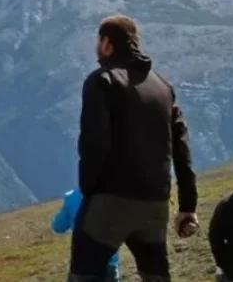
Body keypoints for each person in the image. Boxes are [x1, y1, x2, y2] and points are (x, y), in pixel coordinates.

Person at [68, 14, 199, 282]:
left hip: (110, 200)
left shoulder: (102, 80)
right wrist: (188, 204)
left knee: (84, 274)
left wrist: (89, 190)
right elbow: (181, 147)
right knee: (156, 275)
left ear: (106, 43)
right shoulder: (163, 86)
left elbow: (94, 143)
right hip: (154, 203)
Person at [52, 188, 120, 282]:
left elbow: (58, 227)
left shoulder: (71, 197)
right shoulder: (113, 195)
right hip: (108, 263)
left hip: (81, 265)